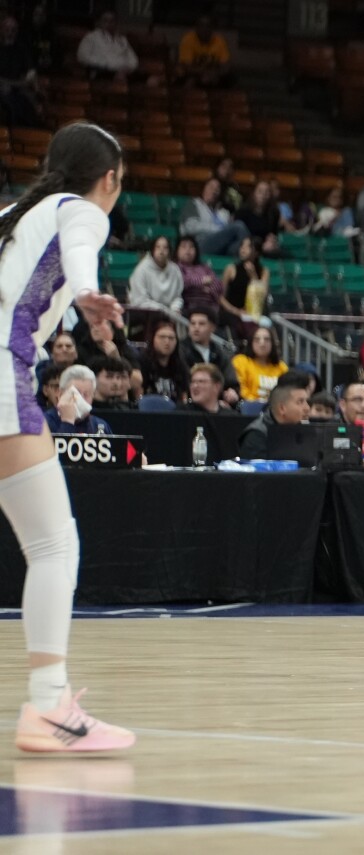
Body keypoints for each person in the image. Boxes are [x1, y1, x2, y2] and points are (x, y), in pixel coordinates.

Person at [0, 121, 135, 751]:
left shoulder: (12, 214)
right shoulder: (81, 209)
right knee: (55, 545)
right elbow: (83, 246)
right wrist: (86, 291)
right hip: (3, 377)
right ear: (108, 179)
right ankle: (50, 707)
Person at [237, 373, 311, 459]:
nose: (307, 408)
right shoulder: (257, 435)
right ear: (282, 408)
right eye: (300, 402)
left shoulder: (305, 430)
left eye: (307, 402)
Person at [179, 307, 239, 405]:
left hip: (218, 404)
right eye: (192, 323)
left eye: (201, 324)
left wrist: (230, 393)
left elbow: (231, 382)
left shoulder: (221, 353)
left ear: (212, 327)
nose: (196, 327)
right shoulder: (180, 351)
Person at [181, 177, 250, 258]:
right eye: (211, 187)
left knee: (237, 245)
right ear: (204, 189)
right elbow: (191, 227)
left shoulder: (221, 211)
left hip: (220, 246)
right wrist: (218, 229)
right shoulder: (194, 204)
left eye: (217, 189)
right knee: (239, 226)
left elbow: (226, 231)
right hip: (198, 244)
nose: (214, 191)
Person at [0, 14, 42, 128]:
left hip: (17, 89)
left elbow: (30, 75)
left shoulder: (22, 49)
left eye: (13, 29)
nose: (10, 32)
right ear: (1, 29)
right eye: (7, 29)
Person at [44, 365, 111, 435]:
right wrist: (67, 422)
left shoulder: (100, 426)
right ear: (60, 394)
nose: (81, 399)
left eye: (86, 394)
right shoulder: (44, 423)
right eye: (75, 393)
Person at [221, 236, 269, 328]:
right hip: (233, 312)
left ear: (257, 252)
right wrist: (236, 311)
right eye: (242, 245)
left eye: (248, 246)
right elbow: (221, 297)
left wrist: (254, 277)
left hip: (254, 313)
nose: (243, 248)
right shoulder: (231, 269)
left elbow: (262, 296)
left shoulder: (263, 271)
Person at [127, 235, 183, 313]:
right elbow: (140, 301)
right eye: (158, 247)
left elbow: (177, 297)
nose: (161, 251)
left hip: (170, 313)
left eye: (165, 248)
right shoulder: (142, 270)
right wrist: (163, 310)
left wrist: (175, 309)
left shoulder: (175, 270)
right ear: (152, 250)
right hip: (145, 312)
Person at [75, 11, 137, 81]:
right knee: (119, 79)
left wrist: (127, 68)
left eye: (112, 21)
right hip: (102, 71)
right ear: (99, 23)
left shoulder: (122, 39)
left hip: (124, 71)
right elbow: (83, 57)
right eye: (105, 20)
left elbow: (133, 59)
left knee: (151, 80)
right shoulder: (91, 37)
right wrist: (108, 64)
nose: (109, 23)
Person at [232, 326, 288, 404]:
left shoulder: (281, 367)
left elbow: (287, 392)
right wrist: (258, 402)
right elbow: (241, 389)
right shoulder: (241, 361)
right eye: (257, 339)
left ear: (273, 343)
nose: (262, 343)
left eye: (267, 339)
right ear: (251, 342)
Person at [138, 320, 188, 401]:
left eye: (171, 338)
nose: (167, 342)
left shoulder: (181, 365)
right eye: (162, 337)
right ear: (153, 338)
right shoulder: (142, 362)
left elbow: (184, 395)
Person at [176, 14, 231, 88]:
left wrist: (215, 74)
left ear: (212, 28)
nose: (204, 29)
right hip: (193, 74)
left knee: (230, 78)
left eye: (208, 26)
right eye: (201, 26)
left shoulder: (219, 41)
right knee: (186, 78)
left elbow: (226, 66)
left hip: (213, 75)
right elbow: (186, 66)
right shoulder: (188, 39)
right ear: (196, 28)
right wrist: (204, 73)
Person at [235, 181, 281, 254]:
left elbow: (273, 234)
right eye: (260, 191)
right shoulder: (243, 211)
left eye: (267, 192)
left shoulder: (273, 213)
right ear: (254, 193)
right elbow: (238, 235)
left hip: (264, 247)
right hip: (242, 245)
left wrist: (271, 240)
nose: (263, 195)